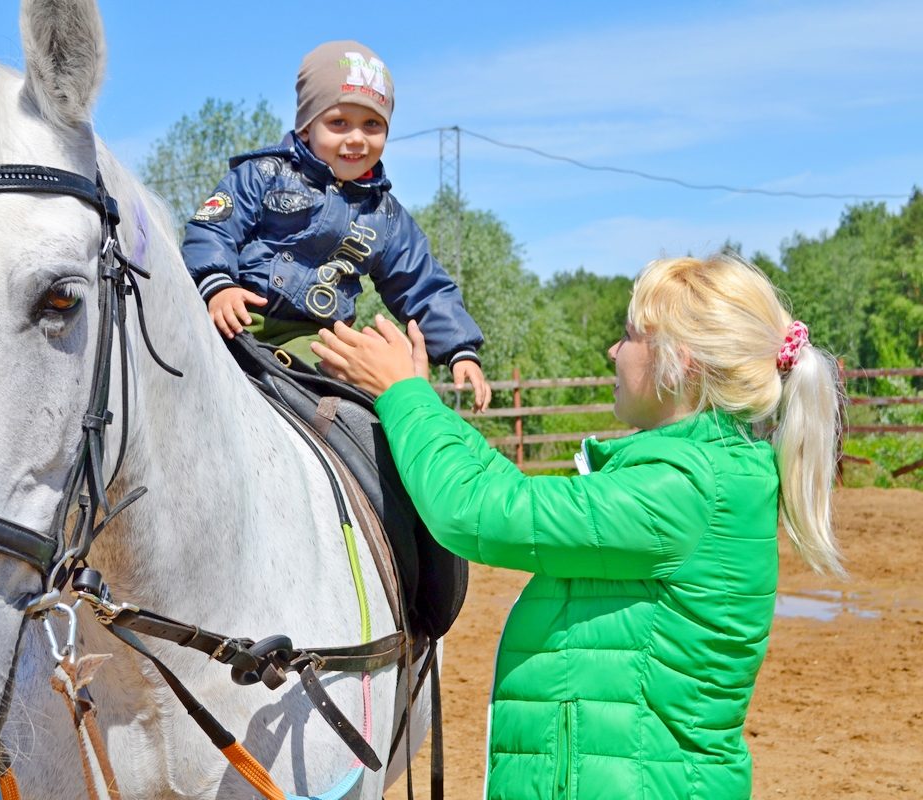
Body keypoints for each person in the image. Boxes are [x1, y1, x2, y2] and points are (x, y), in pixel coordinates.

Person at [311, 253, 844, 798]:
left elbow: (473, 510)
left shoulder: (683, 490)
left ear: (678, 363)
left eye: (629, 336)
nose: (614, 350)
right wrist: (423, 407)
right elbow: (509, 491)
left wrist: (401, 394)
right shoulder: (712, 474)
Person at [181, 39, 491, 411]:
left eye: (372, 124)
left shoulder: (385, 216)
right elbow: (212, 228)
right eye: (339, 122)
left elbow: (422, 283)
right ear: (307, 127)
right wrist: (217, 284)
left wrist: (459, 348)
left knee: (372, 409)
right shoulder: (264, 174)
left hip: (316, 340)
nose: (356, 138)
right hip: (242, 315)